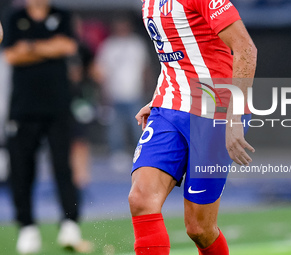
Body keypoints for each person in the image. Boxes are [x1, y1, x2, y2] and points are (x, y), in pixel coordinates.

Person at [128, 0, 257, 255]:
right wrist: (158, 98)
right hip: (168, 108)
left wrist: (233, 117)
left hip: (213, 111)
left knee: (199, 228)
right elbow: (176, 58)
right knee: (141, 199)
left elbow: (246, 49)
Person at [2, 0, 87, 253]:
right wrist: (49, 47)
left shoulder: (62, 15)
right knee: (21, 170)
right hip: (23, 109)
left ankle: (70, 224)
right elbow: (11, 54)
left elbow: (68, 45)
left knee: (63, 167)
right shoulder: (14, 17)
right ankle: (27, 227)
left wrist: (29, 47)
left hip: (58, 107)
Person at [94, 16, 150, 161]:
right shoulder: (109, 45)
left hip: (134, 92)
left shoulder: (136, 44)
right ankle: (117, 153)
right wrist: (104, 91)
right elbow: (101, 70)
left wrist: (147, 89)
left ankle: (142, 152)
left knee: (138, 126)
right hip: (115, 93)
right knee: (115, 128)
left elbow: (144, 68)